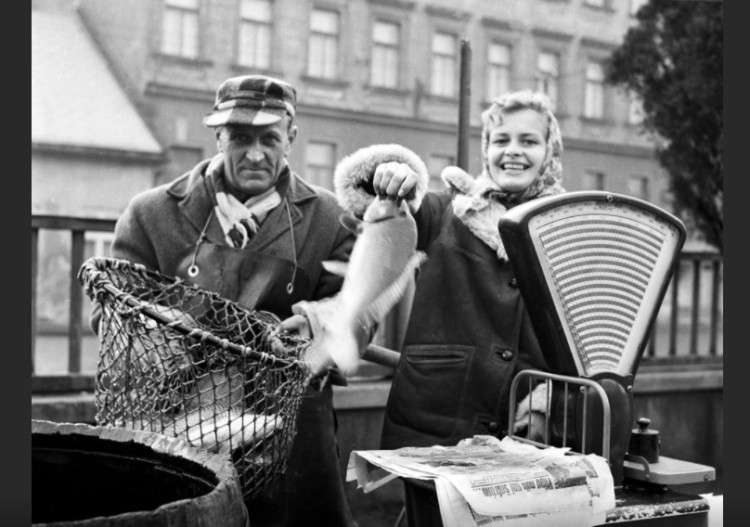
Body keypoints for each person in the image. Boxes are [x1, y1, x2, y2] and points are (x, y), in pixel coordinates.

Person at [94, 74, 359, 527]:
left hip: (295, 425)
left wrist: (318, 324)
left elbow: (356, 311)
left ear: (291, 138)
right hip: (181, 420)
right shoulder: (151, 213)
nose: (255, 153)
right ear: (218, 137)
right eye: (239, 137)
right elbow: (112, 318)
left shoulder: (330, 219)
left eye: (269, 138)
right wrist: (163, 336)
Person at [331, 90, 567, 522]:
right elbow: (382, 210)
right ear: (486, 149)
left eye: (528, 141)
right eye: (501, 140)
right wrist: (392, 176)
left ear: (549, 151)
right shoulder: (447, 212)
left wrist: (548, 403)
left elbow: (591, 344)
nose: (512, 151)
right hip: (439, 428)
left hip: (529, 440)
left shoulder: (567, 230)